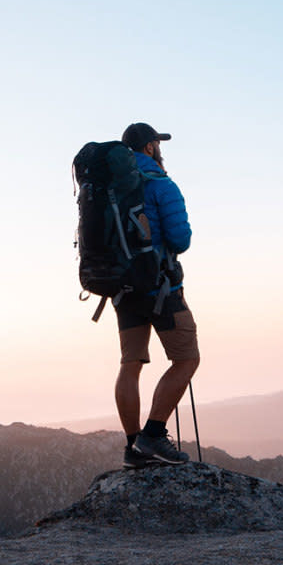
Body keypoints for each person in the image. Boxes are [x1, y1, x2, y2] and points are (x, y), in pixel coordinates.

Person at [114, 122, 200, 468]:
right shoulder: (162, 184)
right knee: (186, 358)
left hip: (122, 289)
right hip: (161, 287)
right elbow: (180, 240)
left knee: (130, 364)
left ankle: (133, 446)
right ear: (149, 148)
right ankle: (153, 433)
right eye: (156, 143)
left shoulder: (112, 188)